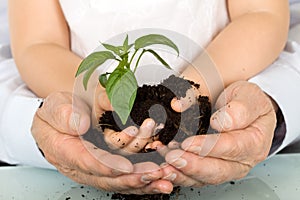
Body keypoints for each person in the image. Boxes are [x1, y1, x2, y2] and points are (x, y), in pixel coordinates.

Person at [1, 0, 299, 194]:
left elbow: (261, 14)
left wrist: (194, 89)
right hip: (88, 156)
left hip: (224, 128)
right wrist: (95, 96)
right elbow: (38, 44)